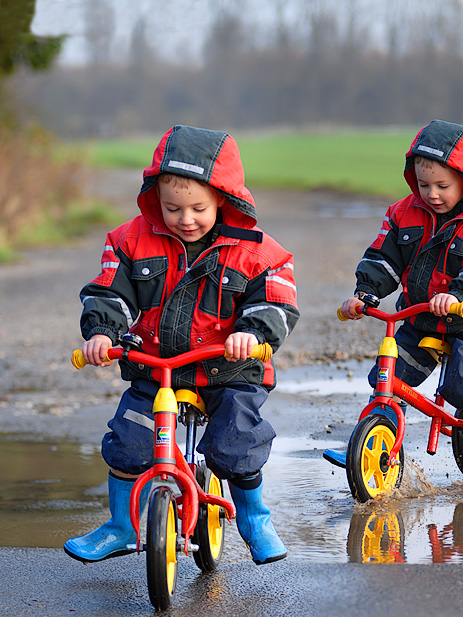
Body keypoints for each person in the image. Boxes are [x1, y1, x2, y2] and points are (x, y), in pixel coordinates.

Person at [64, 125, 299, 565]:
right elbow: (109, 291)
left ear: (223, 202)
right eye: (172, 208)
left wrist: (253, 333)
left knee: (237, 443)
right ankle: (120, 525)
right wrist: (102, 331)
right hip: (156, 366)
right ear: (155, 199)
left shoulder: (258, 251)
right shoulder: (129, 240)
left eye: (198, 208)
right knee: (130, 442)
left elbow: (277, 299)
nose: (185, 219)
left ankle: (254, 520)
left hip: (227, 368)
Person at [323, 119, 463, 473]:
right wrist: (365, 293)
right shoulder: (403, 213)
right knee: (390, 373)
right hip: (420, 313)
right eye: (424, 184)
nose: (432, 194)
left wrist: (459, 294)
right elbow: (384, 257)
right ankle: (370, 441)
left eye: (443, 185)